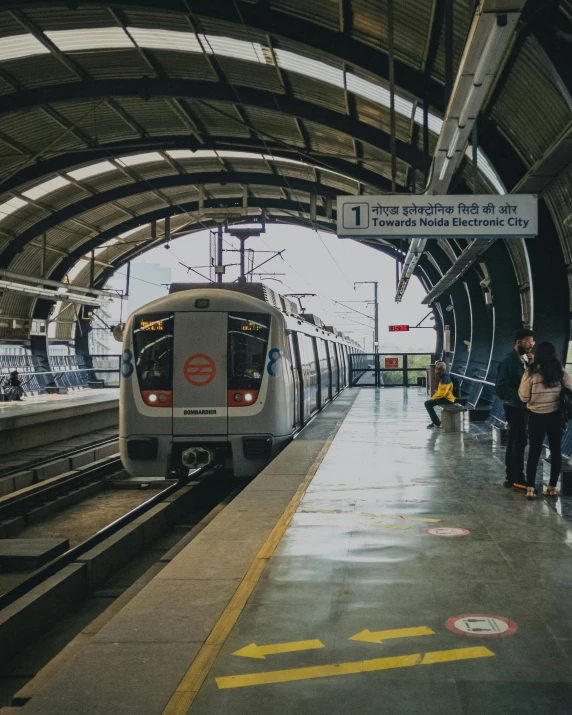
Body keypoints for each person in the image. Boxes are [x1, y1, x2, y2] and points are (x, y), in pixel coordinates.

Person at [518, 341, 572, 500]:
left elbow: (523, 396)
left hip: (536, 417)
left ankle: (530, 488)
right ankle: (552, 487)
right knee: (556, 451)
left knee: (534, 451)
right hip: (555, 416)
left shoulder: (530, 372)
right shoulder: (559, 371)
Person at [496, 328, 535, 491]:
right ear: (519, 342)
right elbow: (501, 387)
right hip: (515, 407)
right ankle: (518, 478)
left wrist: (531, 364)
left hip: (518, 407)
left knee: (513, 441)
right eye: (528, 341)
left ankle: (510, 477)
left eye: (532, 341)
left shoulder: (521, 360)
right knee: (519, 441)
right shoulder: (509, 361)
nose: (531, 345)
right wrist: (521, 396)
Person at [425, 361, 455, 428]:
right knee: (428, 403)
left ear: (439, 370)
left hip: (448, 399)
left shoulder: (445, 379)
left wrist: (433, 398)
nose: (435, 370)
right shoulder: (443, 377)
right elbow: (440, 391)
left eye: (436, 369)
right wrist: (434, 397)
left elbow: (442, 393)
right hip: (444, 397)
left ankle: (436, 422)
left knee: (427, 403)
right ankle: (436, 422)